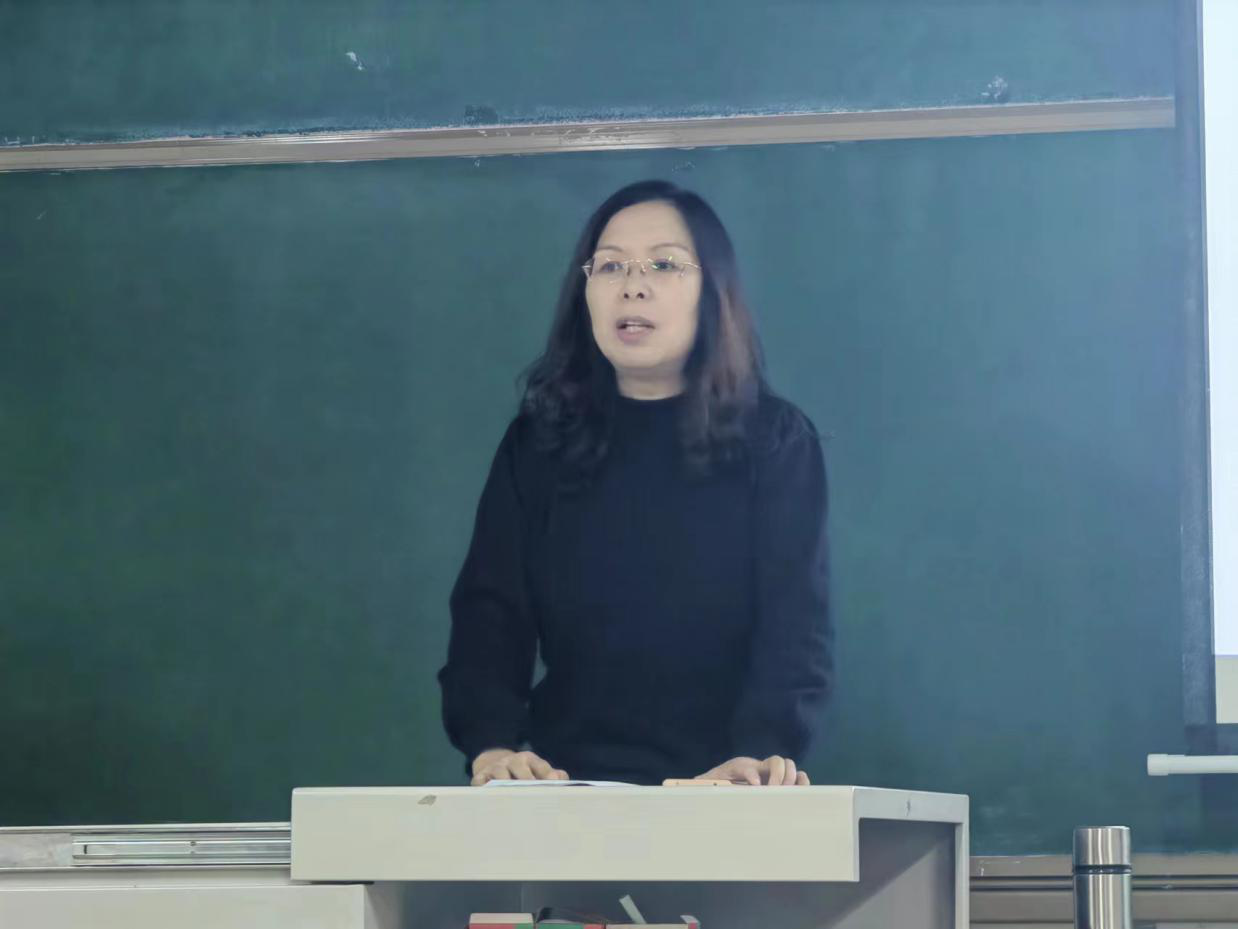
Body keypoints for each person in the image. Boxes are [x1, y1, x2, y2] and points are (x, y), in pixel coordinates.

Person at [438, 179, 831, 787]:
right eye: (610, 265)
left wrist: (757, 757)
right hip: (563, 791)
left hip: (726, 792)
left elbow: (795, 629)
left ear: (712, 292)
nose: (633, 285)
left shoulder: (774, 441)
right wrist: (492, 748)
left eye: (665, 265)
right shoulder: (538, 444)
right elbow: (490, 616)